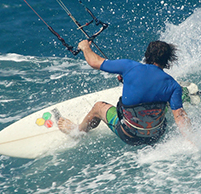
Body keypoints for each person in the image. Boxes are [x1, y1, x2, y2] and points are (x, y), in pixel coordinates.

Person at [56, 39, 192, 146]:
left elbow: (94, 61)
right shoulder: (173, 85)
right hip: (155, 137)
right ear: (168, 60)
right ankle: (185, 97)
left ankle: (77, 131)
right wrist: (190, 141)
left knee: (98, 107)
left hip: (128, 135)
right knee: (169, 105)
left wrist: (85, 47)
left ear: (147, 55)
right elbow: (180, 116)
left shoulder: (129, 66)